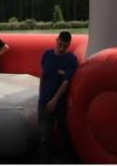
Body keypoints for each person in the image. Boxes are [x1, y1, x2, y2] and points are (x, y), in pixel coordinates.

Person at [39, 31, 79, 163]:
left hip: (60, 103)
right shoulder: (47, 55)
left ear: (69, 45)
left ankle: (68, 160)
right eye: (60, 44)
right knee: (45, 134)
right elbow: (43, 76)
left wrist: (54, 101)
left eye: (65, 46)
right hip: (44, 101)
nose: (62, 49)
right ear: (56, 40)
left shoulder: (71, 60)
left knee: (64, 132)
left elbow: (65, 82)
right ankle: (45, 160)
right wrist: (41, 97)